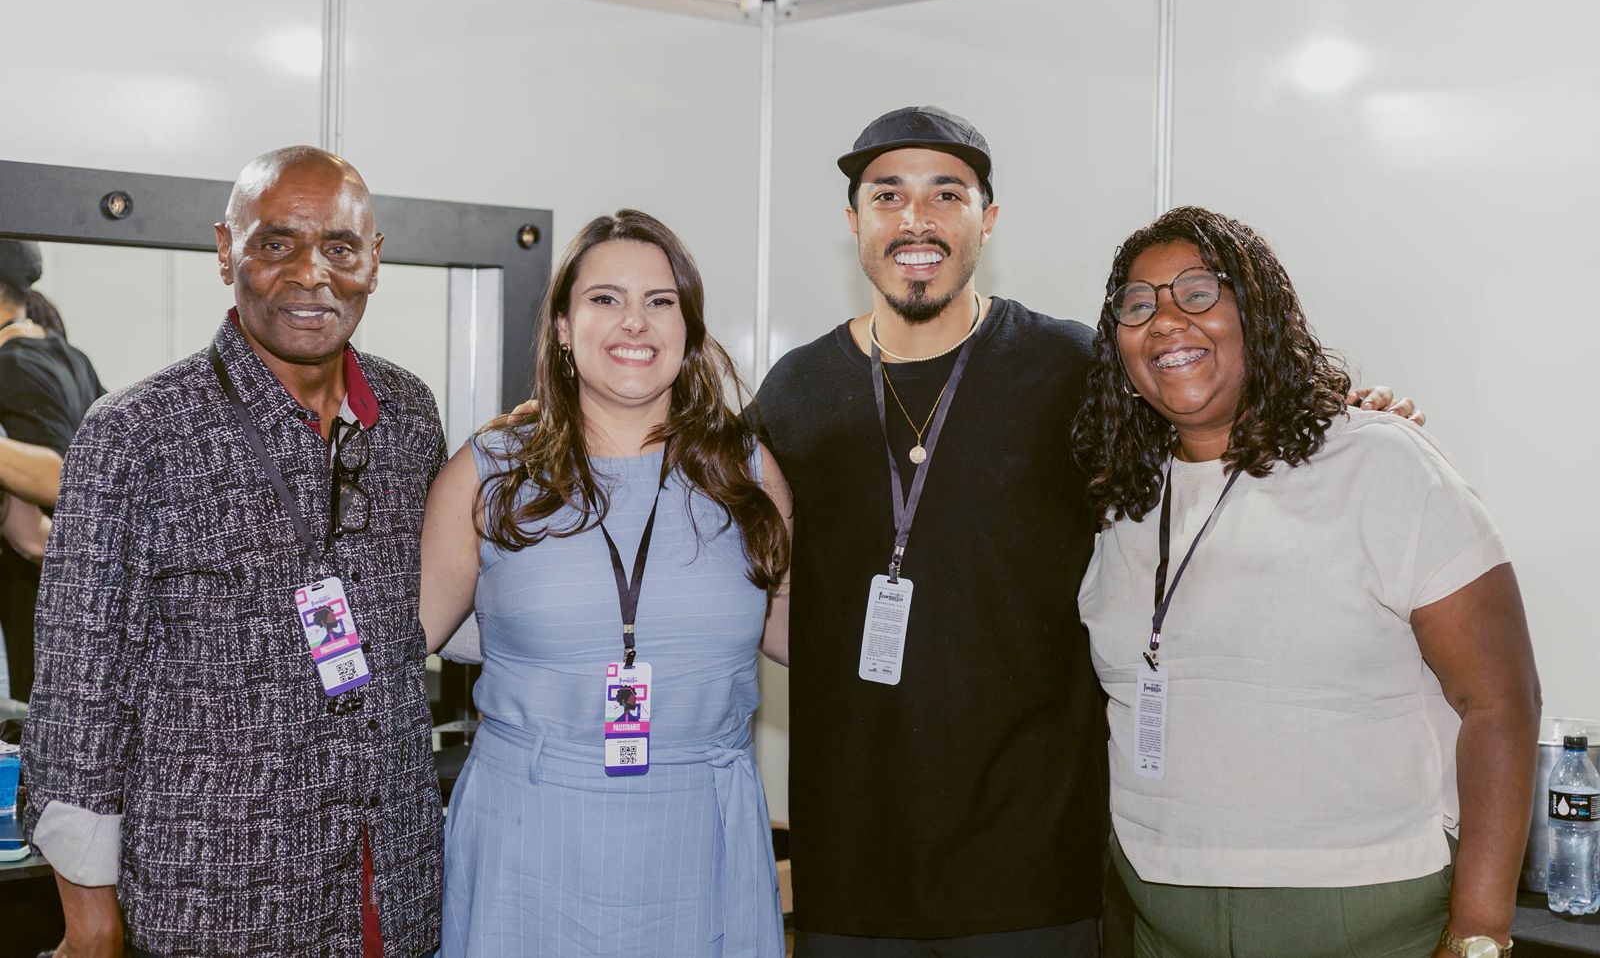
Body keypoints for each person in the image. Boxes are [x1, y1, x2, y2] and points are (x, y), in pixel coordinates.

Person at [751, 106, 1421, 957]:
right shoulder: (794, 390)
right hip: (851, 865)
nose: (916, 219)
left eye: (947, 194)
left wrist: (1343, 418)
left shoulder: (1071, 368)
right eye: (888, 195)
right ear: (854, 222)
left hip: (1037, 867)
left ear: (987, 219)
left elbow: (1213, 435)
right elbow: (746, 570)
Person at [1073, 206, 1539, 958]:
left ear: (1256, 315)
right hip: (1162, 922)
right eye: (1137, 305)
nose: (1165, 321)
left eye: (1197, 292)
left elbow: (1499, 700)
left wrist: (1480, 931)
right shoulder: (1122, 499)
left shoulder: (1379, 461)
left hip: (1371, 919)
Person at [23, 146, 446, 957]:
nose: (311, 275)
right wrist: (90, 919)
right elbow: (78, 699)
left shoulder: (408, 415)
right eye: (276, 243)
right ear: (226, 251)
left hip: (391, 889)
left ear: (374, 259)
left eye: (340, 247)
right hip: (215, 902)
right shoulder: (135, 435)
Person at [420, 209, 793, 956]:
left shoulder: (745, 472)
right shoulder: (490, 472)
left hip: (701, 832)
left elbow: (803, 637)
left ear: (687, 327)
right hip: (527, 832)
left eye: (660, 301)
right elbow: (402, 644)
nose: (635, 322)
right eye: (604, 299)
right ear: (563, 326)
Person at [0, 243, 104, 700]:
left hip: (39, 600)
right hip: (78, 598)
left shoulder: (12, 363)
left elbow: (57, 477)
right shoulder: (70, 356)